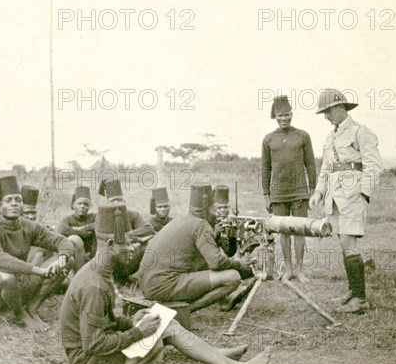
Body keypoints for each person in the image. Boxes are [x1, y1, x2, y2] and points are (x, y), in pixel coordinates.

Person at [59, 203, 272, 364]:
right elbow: (93, 345)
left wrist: (129, 322)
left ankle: (219, 355)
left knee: (164, 320)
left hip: (94, 355)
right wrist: (137, 333)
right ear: (111, 245)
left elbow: (105, 323)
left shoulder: (96, 271)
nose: (132, 247)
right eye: (127, 242)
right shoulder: (93, 286)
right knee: (167, 326)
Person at [309, 88, 383, 314]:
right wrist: (318, 192)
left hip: (352, 196)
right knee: (343, 243)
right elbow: (326, 168)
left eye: (329, 111)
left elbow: (374, 166)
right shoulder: (331, 136)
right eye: (324, 112)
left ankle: (360, 300)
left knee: (349, 243)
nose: (326, 116)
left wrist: (363, 194)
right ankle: (353, 291)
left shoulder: (361, 132)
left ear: (341, 107)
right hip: (334, 198)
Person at [0, 176, 84, 330]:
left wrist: (61, 259)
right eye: (8, 200)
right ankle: (21, 315)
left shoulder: (28, 226)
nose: (14, 203)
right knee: (6, 275)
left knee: (69, 261)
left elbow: (62, 241)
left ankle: (32, 307)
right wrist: (37, 270)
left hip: (22, 284)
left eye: (18, 199)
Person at [138, 184, 255, 313]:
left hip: (148, 284)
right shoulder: (201, 224)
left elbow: (200, 259)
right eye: (214, 209)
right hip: (163, 285)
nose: (217, 214)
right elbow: (216, 262)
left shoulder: (182, 219)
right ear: (206, 208)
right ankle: (185, 311)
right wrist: (240, 265)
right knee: (233, 277)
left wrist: (214, 240)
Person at [262, 95, 317, 282]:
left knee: (299, 229)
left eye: (286, 115)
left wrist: (312, 191)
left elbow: (310, 164)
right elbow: (265, 168)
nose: (283, 118)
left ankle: (300, 270)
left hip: (300, 191)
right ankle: (288, 269)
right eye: (280, 116)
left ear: (291, 114)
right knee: (283, 231)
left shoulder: (303, 136)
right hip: (278, 193)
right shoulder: (268, 139)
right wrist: (266, 195)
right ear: (275, 117)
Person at [98, 178, 155, 281]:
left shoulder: (133, 215)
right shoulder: (102, 218)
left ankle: (139, 277)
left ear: (124, 201)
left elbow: (148, 229)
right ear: (107, 203)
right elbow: (105, 240)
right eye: (112, 201)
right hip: (110, 261)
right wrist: (135, 239)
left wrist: (127, 239)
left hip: (129, 258)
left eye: (119, 200)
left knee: (150, 243)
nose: (116, 203)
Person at [55, 186, 98, 259]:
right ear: (73, 205)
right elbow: (60, 229)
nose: (82, 206)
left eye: (86, 204)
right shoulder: (68, 219)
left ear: (89, 207)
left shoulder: (93, 217)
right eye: (79, 203)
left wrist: (83, 228)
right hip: (76, 256)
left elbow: (101, 223)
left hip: (93, 255)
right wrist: (82, 232)